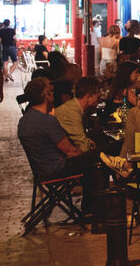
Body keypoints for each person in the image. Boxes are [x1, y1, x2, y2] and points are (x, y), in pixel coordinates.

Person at [17, 76, 103, 213]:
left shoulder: (24, 121)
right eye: (51, 92)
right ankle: (94, 209)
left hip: (41, 170)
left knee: (94, 157)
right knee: (100, 158)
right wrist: (90, 154)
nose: (54, 95)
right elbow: (70, 151)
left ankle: (91, 207)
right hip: (57, 169)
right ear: (47, 96)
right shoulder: (46, 121)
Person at [54, 77, 101, 153]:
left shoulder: (75, 108)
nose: (99, 101)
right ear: (88, 97)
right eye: (97, 97)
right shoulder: (71, 112)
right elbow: (82, 146)